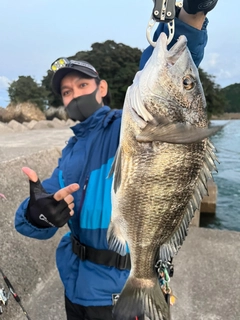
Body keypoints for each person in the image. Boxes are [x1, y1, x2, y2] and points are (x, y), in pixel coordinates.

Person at [14, 1, 218, 319]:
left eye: (82, 85)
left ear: (102, 88)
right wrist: (36, 213)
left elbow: (166, 59)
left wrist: (191, 16)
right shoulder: (71, 150)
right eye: (67, 92)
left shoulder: (125, 128)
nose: (75, 95)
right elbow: (32, 221)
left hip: (119, 289)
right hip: (75, 286)